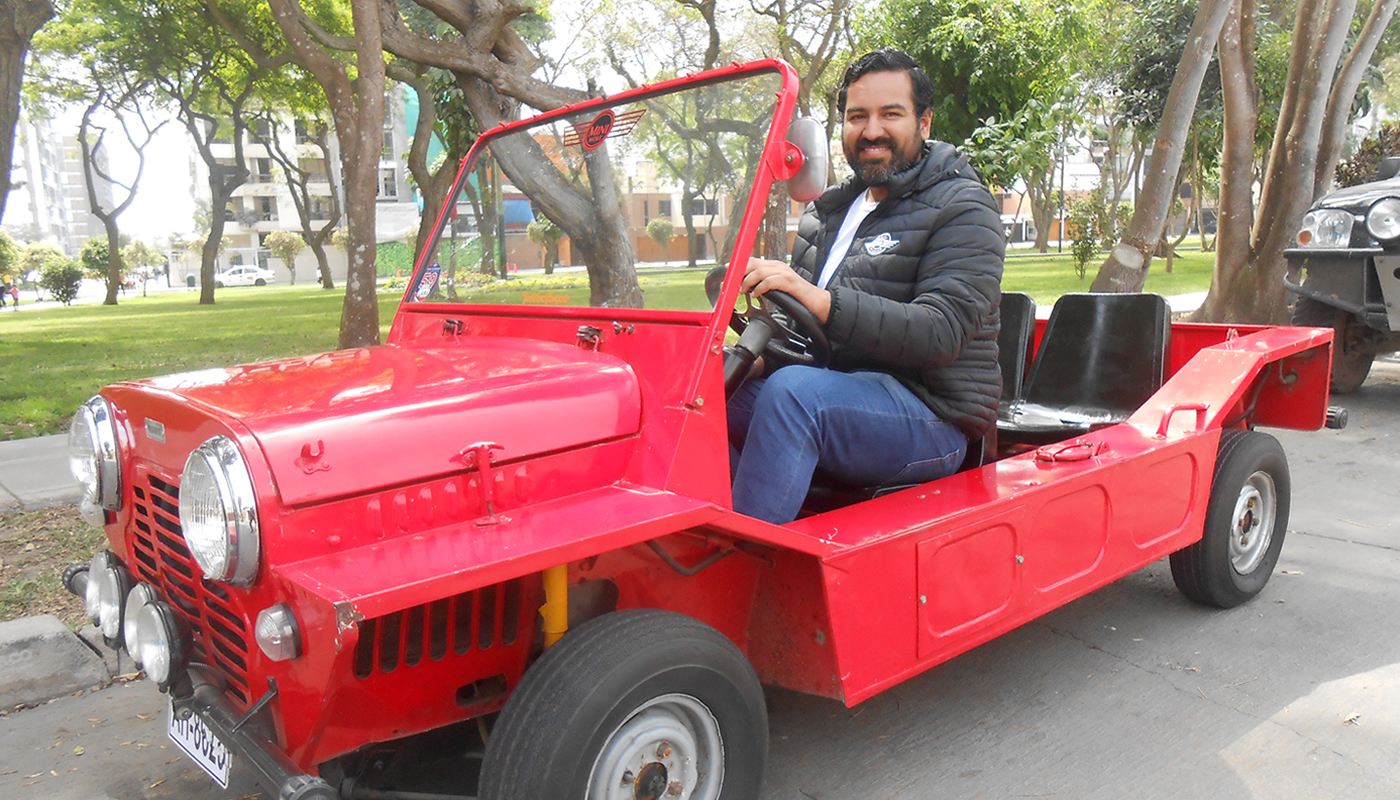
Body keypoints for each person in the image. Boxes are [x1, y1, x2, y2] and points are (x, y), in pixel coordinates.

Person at [728, 47, 1005, 524]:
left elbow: (941, 333)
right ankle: (697, 536)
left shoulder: (964, 206)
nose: (871, 130)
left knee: (794, 395)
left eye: (890, 114)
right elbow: (803, 331)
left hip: (931, 415)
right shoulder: (827, 213)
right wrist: (750, 361)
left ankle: (738, 567)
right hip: (843, 394)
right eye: (858, 116)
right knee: (706, 397)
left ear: (924, 122)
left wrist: (822, 301)